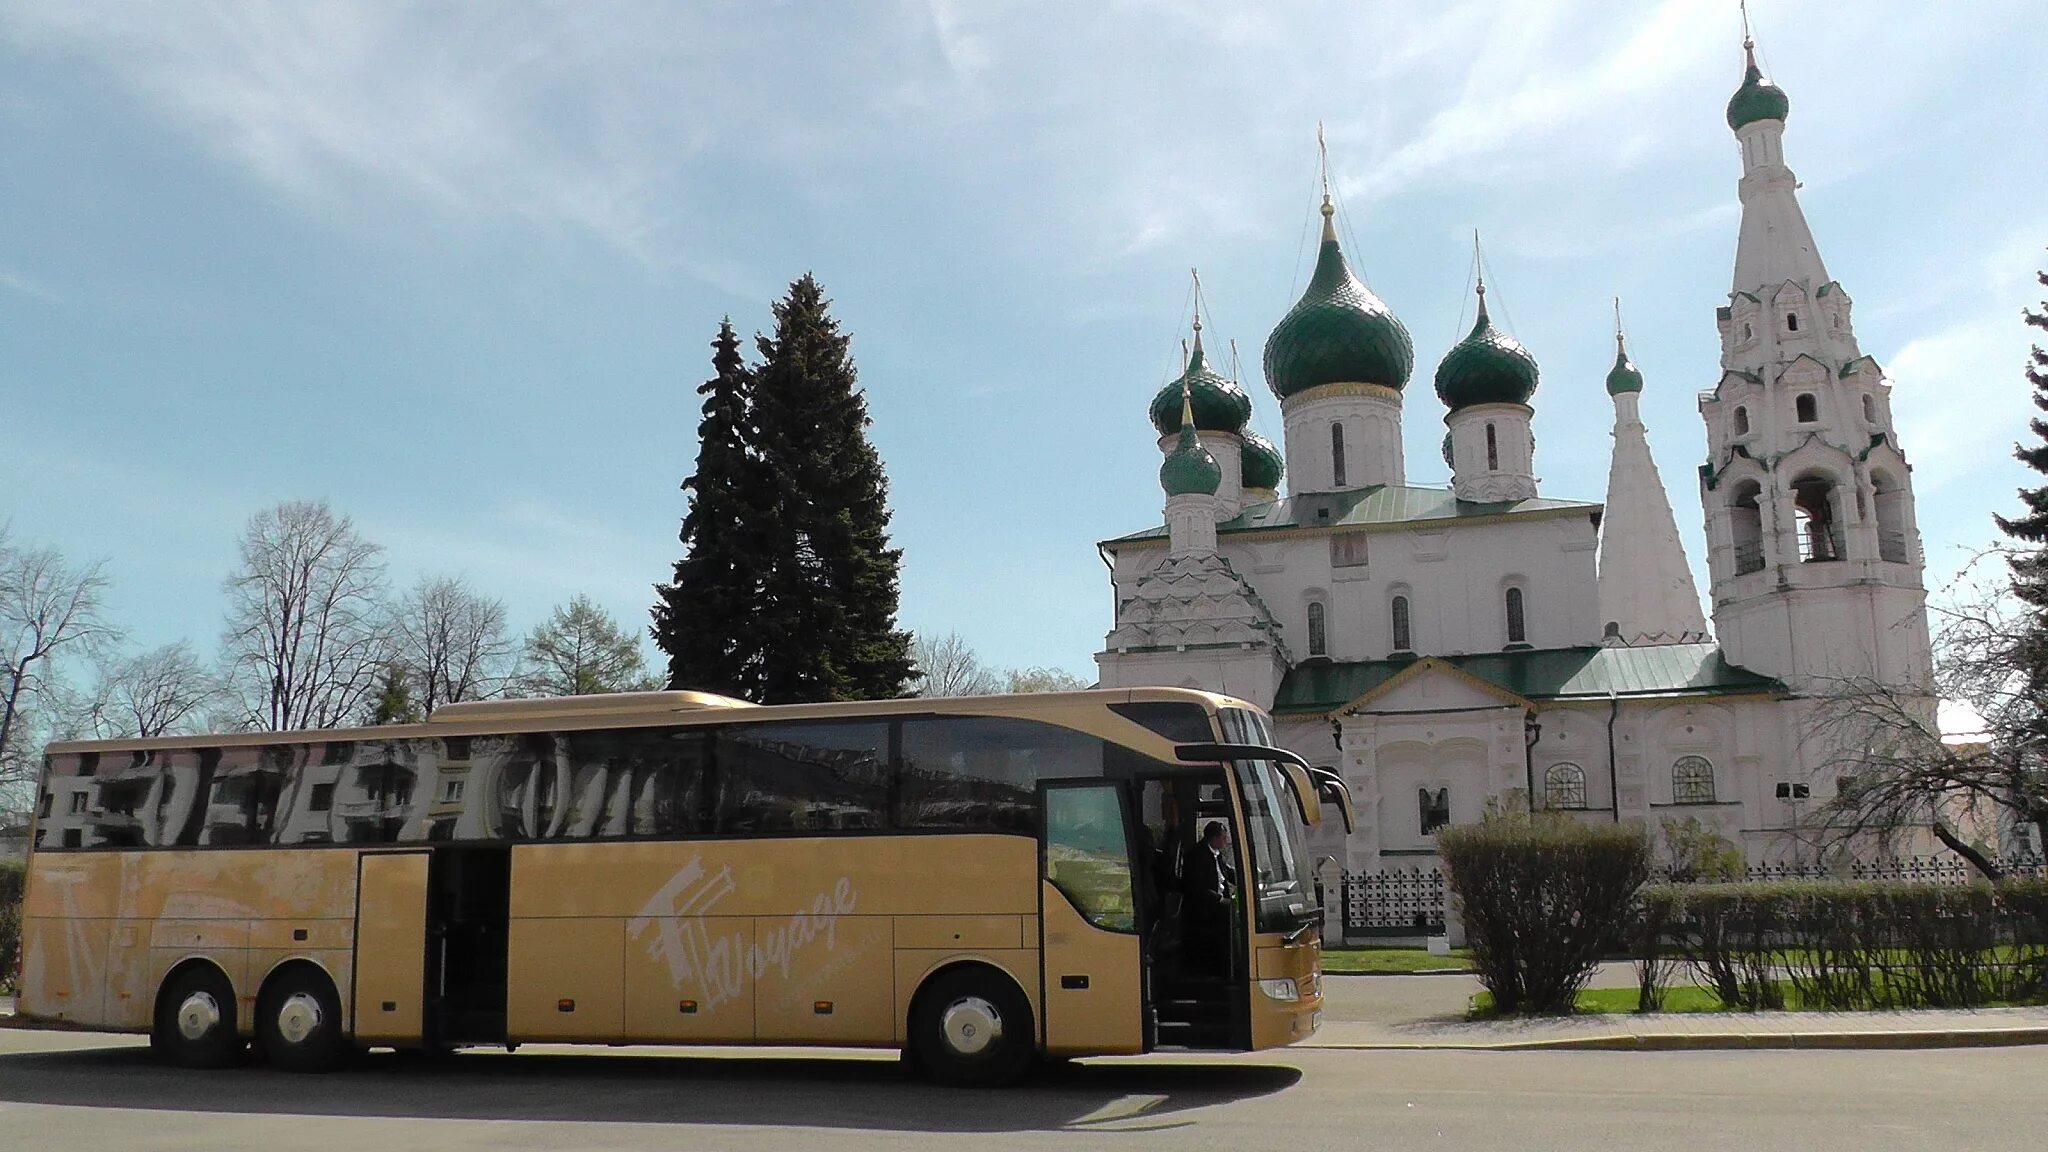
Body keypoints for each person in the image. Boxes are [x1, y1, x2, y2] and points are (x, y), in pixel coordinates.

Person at [1179, 821, 1236, 977]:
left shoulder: (1217, 854)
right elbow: (1195, 886)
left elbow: (1225, 873)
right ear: (1214, 838)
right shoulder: (1196, 855)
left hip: (1219, 904)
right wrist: (1218, 899)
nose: (1226, 841)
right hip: (1204, 910)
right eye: (1224, 838)